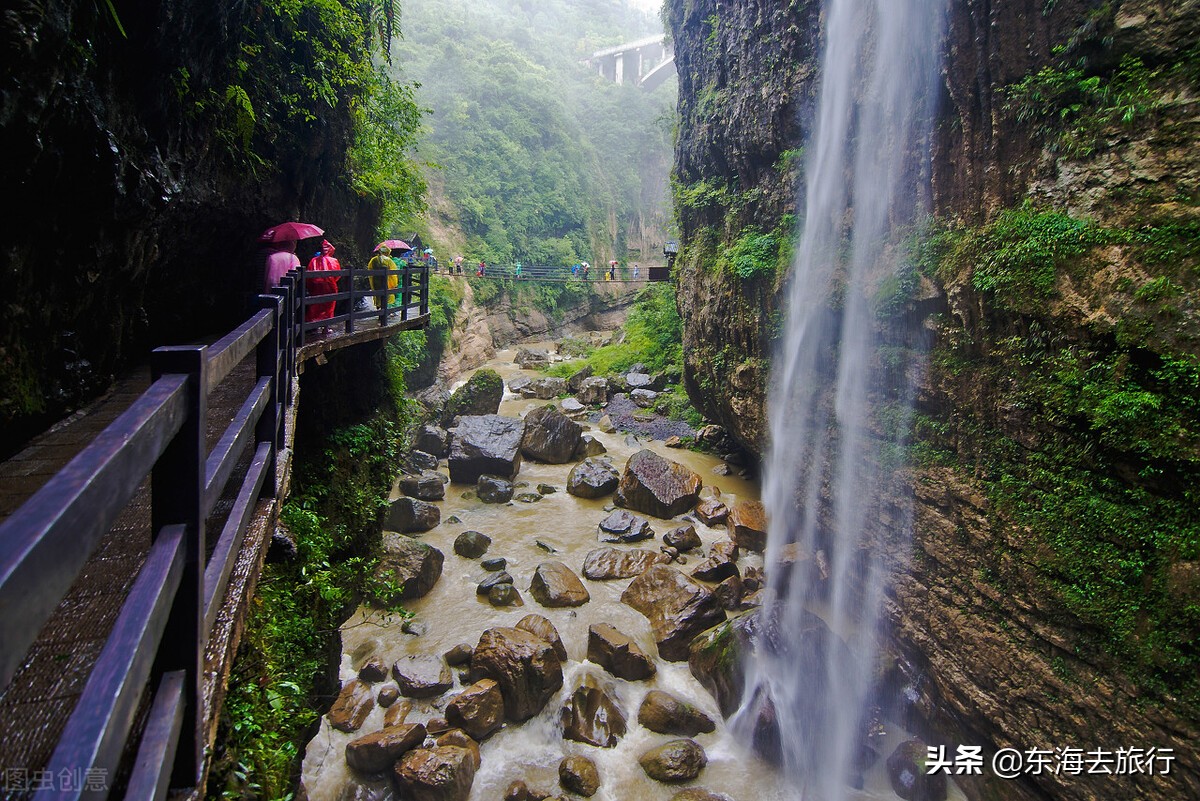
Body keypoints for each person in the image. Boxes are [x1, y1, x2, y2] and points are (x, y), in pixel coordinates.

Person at [305, 239, 340, 334]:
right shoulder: (333, 260)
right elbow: (337, 275)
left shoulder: (313, 260)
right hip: (330, 286)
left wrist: (311, 285)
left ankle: (314, 328)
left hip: (315, 286)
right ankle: (326, 328)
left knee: (315, 305)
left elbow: (308, 274)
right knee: (329, 306)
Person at [368, 245, 399, 310]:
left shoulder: (373, 260)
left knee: (378, 295)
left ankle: (379, 306)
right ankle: (384, 311)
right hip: (386, 281)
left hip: (375, 280)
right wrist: (394, 284)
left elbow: (370, 269)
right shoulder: (388, 260)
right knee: (387, 296)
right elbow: (393, 273)